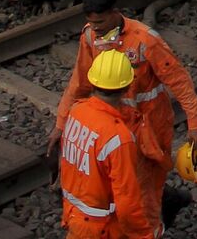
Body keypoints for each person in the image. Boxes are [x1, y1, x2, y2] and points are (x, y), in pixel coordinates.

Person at [52, 0, 197, 230]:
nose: (96, 30)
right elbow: (79, 83)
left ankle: (152, 226)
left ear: (115, 12)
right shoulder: (91, 36)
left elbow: (180, 83)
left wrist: (195, 125)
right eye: (92, 24)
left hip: (150, 127)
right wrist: (60, 125)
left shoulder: (145, 41)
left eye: (100, 23)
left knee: (144, 194)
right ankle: (168, 202)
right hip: (115, 129)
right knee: (124, 184)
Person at [57, 52, 156, 239]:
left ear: (93, 82)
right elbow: (127, 202)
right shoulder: (118, 138)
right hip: (100, 227)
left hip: (74, 215)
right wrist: (144, 236)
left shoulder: (77, 111)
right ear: (127, 87)